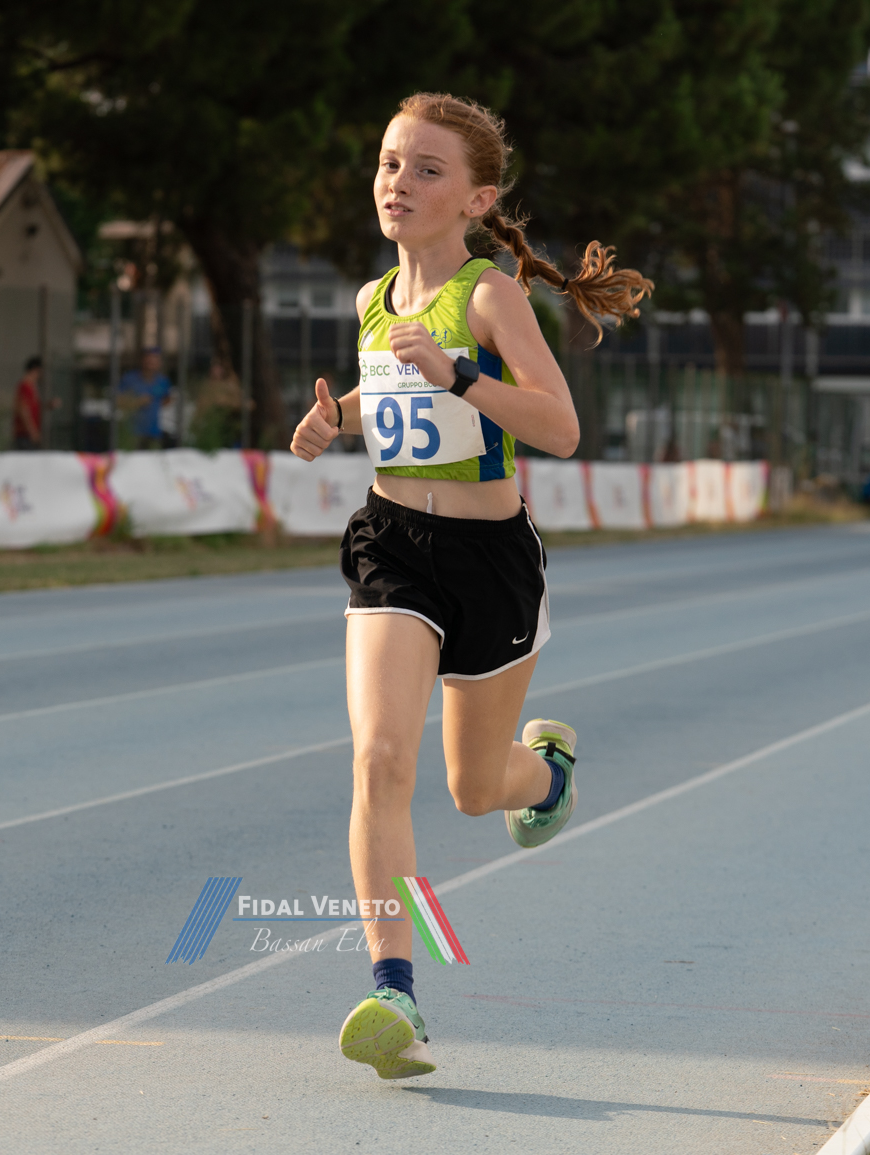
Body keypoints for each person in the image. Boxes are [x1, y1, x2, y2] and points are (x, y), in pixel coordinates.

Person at [288, 92, 652, 1081]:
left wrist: (459, 376)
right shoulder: (372, 300)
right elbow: (386, 390)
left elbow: (559, 426)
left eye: (426, 169)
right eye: (388, 162)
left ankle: (550, 775)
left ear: (477, 198)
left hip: (489, 558)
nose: (397, 182)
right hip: (391, 547)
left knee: (474, 788)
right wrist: (334, 419)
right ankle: (394, 993)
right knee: (379, 760)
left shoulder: (489, 298)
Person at [117, 348, 171, 450]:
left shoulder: (162, 381)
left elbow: (167, 398)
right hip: (132, 433)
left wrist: (155, 406)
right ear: (142, 361)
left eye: (155, 361)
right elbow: (118, 401)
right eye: (149, 360)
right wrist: (137, 402)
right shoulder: (129, 379)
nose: (151, 364)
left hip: (154, 433)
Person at [12, 357, 44, 450]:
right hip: (24, 434)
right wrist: (32, 431)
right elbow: (23, 410)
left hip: (28, 434)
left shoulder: (32, 387)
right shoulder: (24, 387)